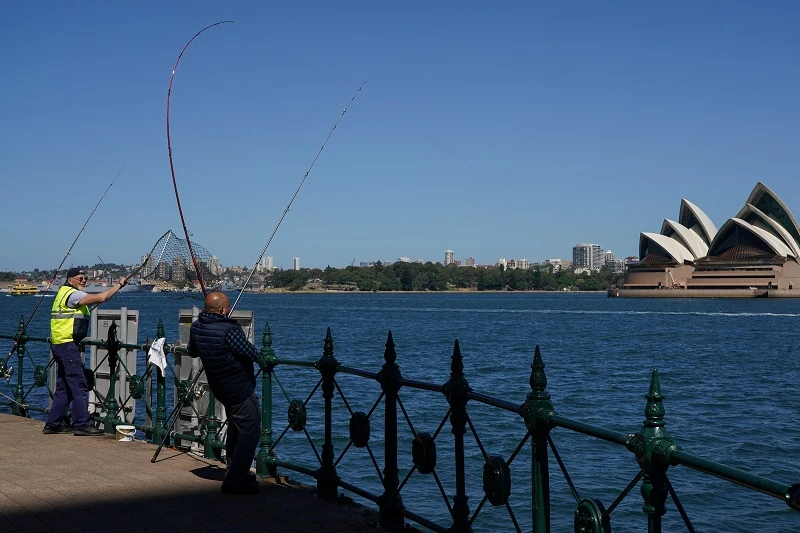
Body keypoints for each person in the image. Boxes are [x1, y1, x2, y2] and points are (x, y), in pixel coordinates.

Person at [189, 291, 261, 494]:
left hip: (219, 386)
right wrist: (262, 356)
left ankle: (234, 469)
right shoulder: (228, 330)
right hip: (239, 386)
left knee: (236, 427)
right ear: (222, 309)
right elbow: (248, 351)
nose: (228, 310)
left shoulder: (196, 327)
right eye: (227, 307)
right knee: (250, 431)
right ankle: (235, 479)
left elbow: (193, 351)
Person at [44, 267, 127, 436]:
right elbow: (102, 297)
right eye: (79, 278)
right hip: (67, 345)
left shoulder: (63, 293)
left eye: (84, 278)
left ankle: (53, 424)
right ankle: (81, 424)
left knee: (64, 385)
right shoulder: (73, 295)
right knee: (80, 384)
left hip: (58, 344)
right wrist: (118, 285)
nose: (83, 280)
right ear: (70, 280)